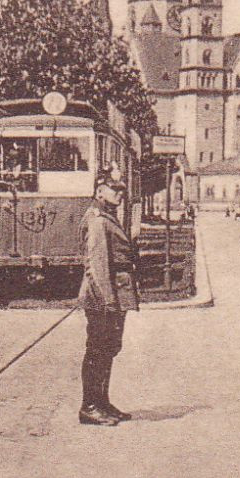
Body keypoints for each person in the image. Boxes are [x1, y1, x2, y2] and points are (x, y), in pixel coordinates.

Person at [77, 169, 138, 426]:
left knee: (109, 349)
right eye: (115, 189)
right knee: (98, 350)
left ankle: (102, 402)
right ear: (99, 191)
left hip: (114, 294)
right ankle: (89, 406)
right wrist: (108, 301)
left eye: (122, 189)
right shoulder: (98, 220)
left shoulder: (108, 217)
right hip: (102, 297)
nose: (120, 193)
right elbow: (97, 264)